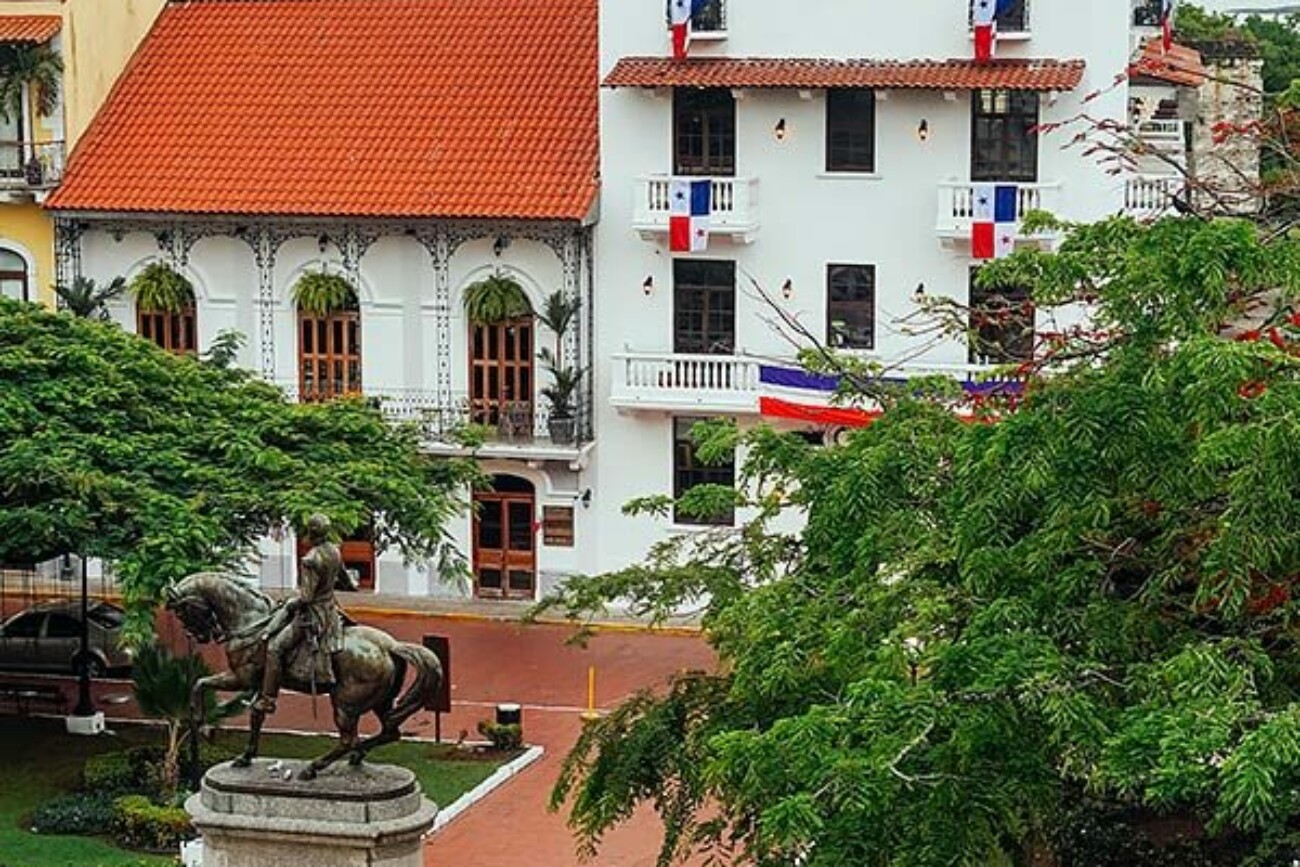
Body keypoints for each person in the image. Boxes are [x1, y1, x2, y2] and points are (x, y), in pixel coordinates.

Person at [256, 514, 347, 714]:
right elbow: (347, 582)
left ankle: (268, 699)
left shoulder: (311, 559)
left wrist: (290, 602)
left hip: (314, 614)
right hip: (331, 609)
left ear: (311, 532)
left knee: (275, 648)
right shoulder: (335, 551)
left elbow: (306, 598)